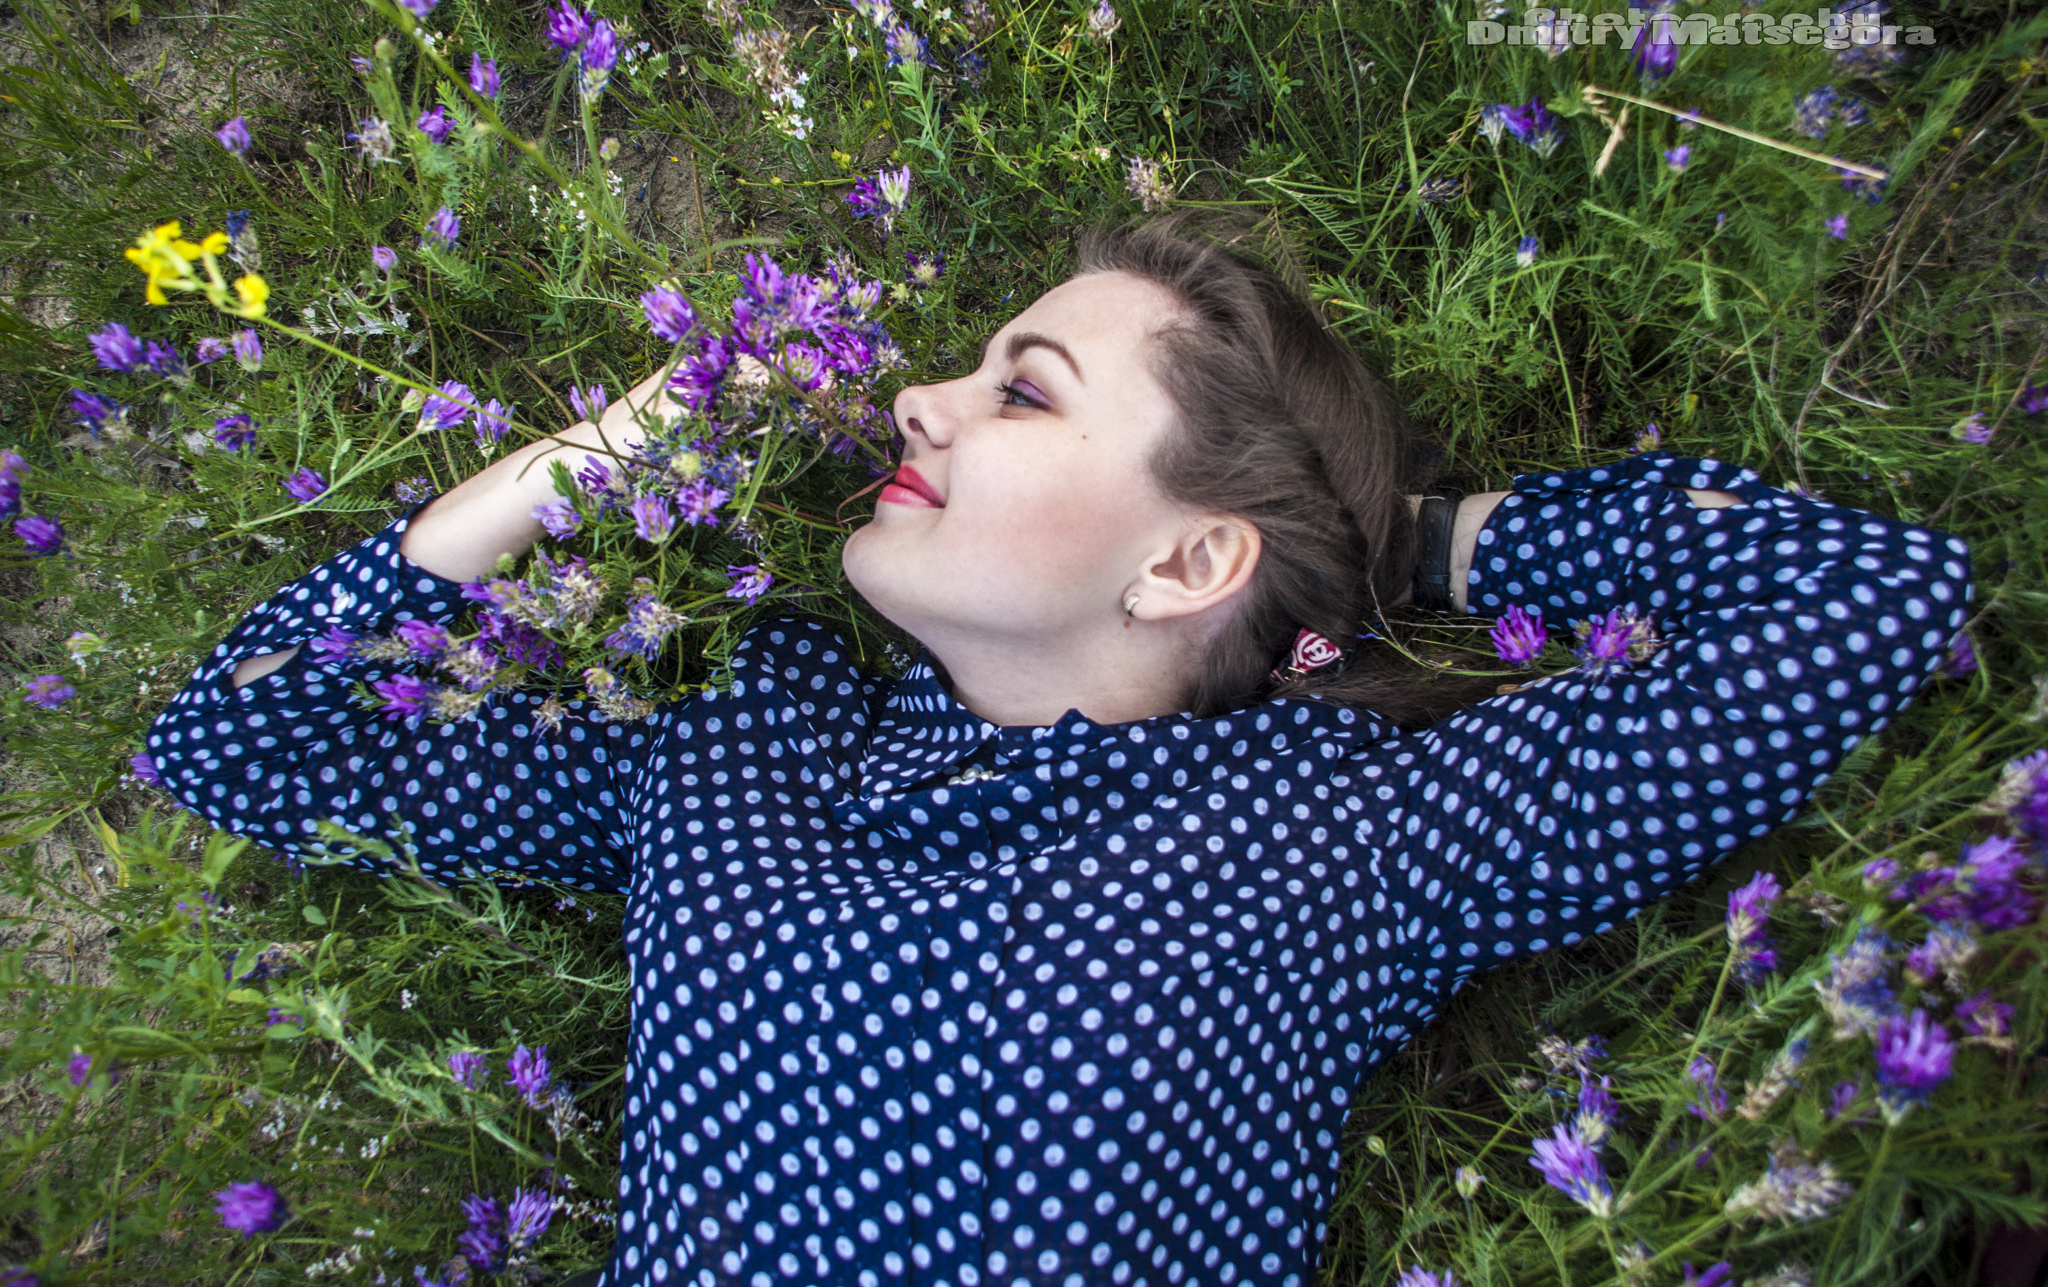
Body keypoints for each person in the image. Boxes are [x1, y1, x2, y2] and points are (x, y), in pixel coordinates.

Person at [144, 209, 1973, 1287]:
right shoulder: (740, 747)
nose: (919, 396)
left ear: (1188, 557)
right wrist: (589, 460)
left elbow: (1859, 594)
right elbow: (242, 738)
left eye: (1020, 387)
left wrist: (1401, 540)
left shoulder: (1348, 828)